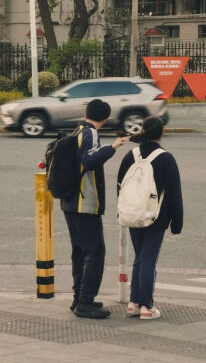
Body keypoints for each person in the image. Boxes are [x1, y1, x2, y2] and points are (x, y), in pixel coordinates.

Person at [61, 99, 130, 319]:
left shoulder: (78, 130)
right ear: (105, 119)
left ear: (85, 112)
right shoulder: (90, 133)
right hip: (84, 203)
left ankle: (78, 298)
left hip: (70, 201)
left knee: (80, 252)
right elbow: (89, 161)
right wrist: (113, 147)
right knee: (95, 252)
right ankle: (85, 302)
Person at [117, 117, 183, 320]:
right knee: (148, 259)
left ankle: (133, 302)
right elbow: (174, 194)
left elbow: (120, 186)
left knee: (139, 258)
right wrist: (177, 223)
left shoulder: (131, 155)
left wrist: (123, 210)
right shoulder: (166, 158)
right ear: (161, 133)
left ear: (143, 130)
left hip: (132, 213)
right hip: (156, 217)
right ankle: (146, 306)